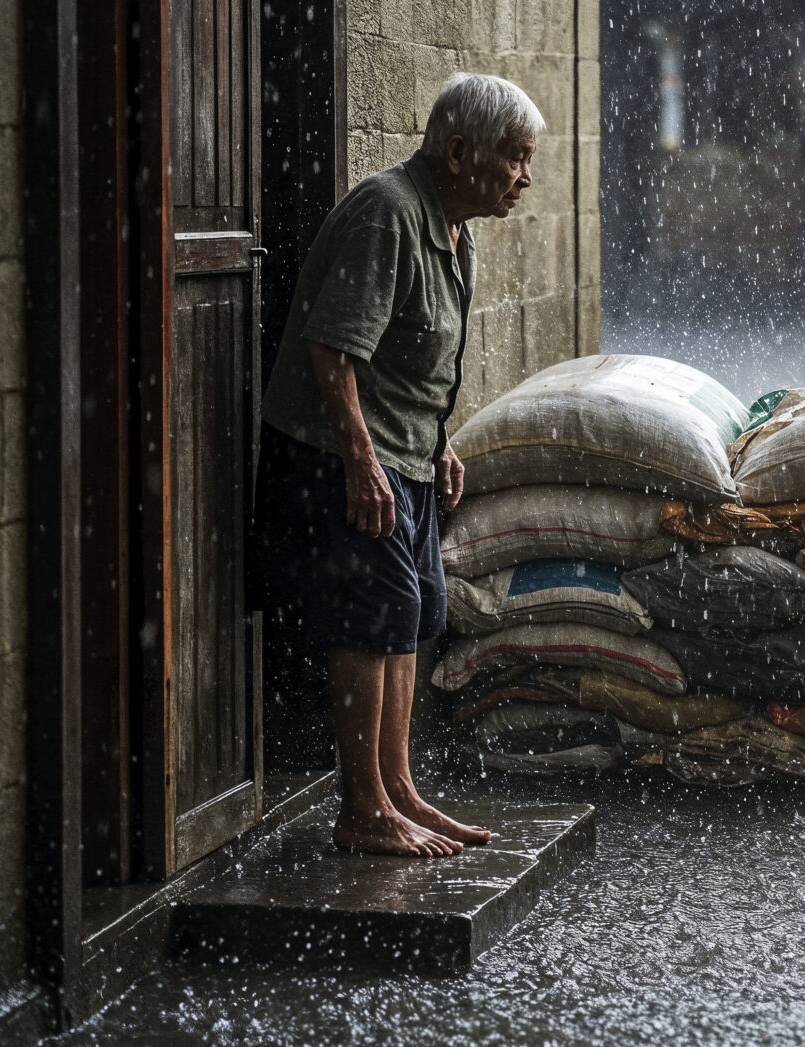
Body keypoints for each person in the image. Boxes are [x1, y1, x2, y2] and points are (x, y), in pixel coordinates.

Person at [257, 73, 541, 857]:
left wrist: (439, 440)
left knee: (418, 611)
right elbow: (332, 347)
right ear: (458, 152)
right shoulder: (387, 213)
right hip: (344, 454)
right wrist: (361, 459)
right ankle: (362, 808)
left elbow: (410, 365)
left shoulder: (454, 229)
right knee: (372, 617)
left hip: (406, 452)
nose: (525, 176)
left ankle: (399, 787)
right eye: (515, 158)